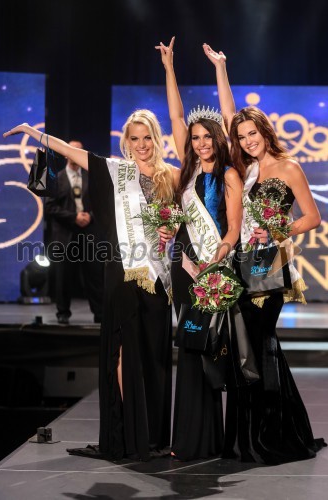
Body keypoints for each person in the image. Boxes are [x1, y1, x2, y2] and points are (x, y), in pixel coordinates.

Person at [4, 109, 180, 461]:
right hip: (120, 271)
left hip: (157, 275)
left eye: (147, 138)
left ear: (156, 139)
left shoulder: (171, 176)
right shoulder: (114, 170)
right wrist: (30, 131)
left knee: (153, 353)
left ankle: (154, 434)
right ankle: (128, 433)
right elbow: (68, 152)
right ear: (125, 142)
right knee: (123, 350)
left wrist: (171, 229)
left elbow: (180, 221)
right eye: (135, 138)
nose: (142, 145)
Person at [203, 43, 326, 464]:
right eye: (241, 137)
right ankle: (248, 437)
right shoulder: (244, 165)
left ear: (266, 132)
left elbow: (312, 218)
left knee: (261, 341)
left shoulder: (289, 167)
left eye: (252, 134)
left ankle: (273, 435)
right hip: (242, 265)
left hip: (272, 265)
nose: (246, 140)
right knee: (244, 347)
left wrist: (276, 228)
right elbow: (227, 115)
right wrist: (222, 69)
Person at [156, 37, 243, 461]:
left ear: (217, 139)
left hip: (214, 268)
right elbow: (174, 114)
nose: (202, 144)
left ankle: (207, 438)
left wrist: (219, 69)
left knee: (208, 347)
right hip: (183, 264)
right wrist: (169, 68)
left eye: (208, 138)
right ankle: (185, 440)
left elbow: (233, 231)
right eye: (195, 139)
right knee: (186, 348)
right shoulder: (187, 169)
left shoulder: (229, 174)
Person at [44, 140, 104, 325]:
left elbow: (102, 204)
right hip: (64, 234)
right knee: (63, 275)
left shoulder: (92, 177)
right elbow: (50, 206)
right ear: (65, 153)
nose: (75, 154)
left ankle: (100, 313)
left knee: (94, 275)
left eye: (79, 151)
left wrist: (90, 216)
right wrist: (74, 217)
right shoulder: (56, 178)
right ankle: (63, 312)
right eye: (72, 151)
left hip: (89, 233)